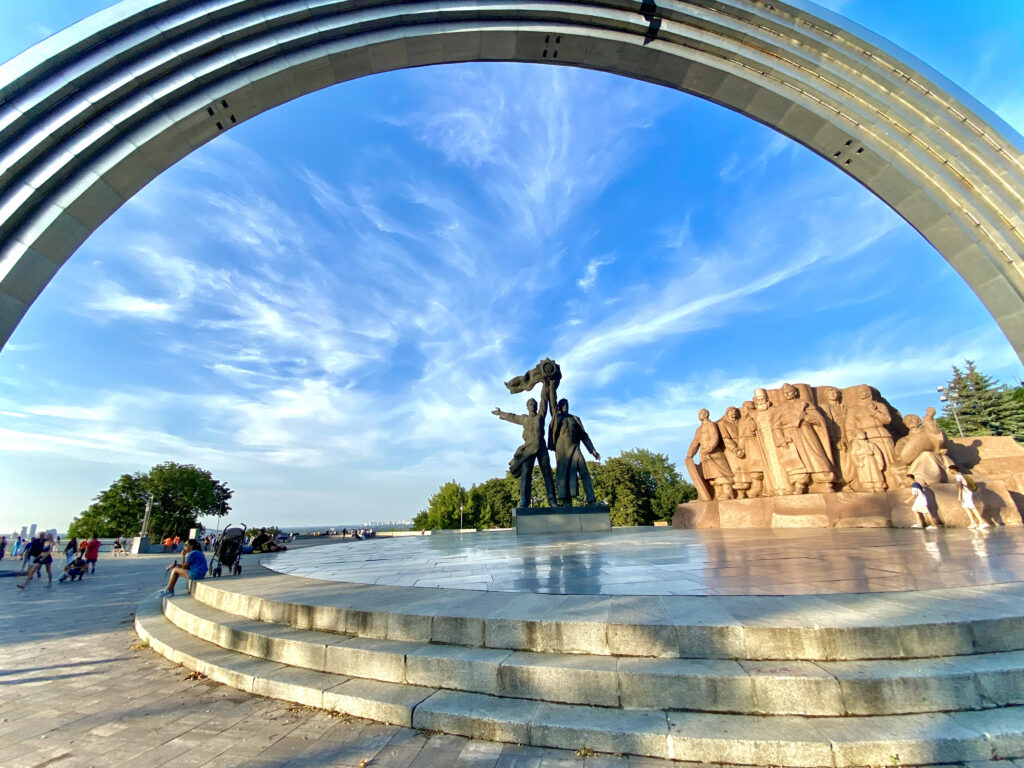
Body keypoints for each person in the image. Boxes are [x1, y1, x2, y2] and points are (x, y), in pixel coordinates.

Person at [493, 396, 558, 508]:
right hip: (528, 448)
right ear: (527, 407)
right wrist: (500, 413)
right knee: (526, 473)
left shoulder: (540, 416)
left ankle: (552, 501)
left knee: (547, 473)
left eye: (534, 404)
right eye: (530, 404)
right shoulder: (524, 419)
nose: (532, 405)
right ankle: (524, 501)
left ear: (537, 406)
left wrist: (546, 387)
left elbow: (544, 401)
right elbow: (513, 417)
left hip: (541, 448)